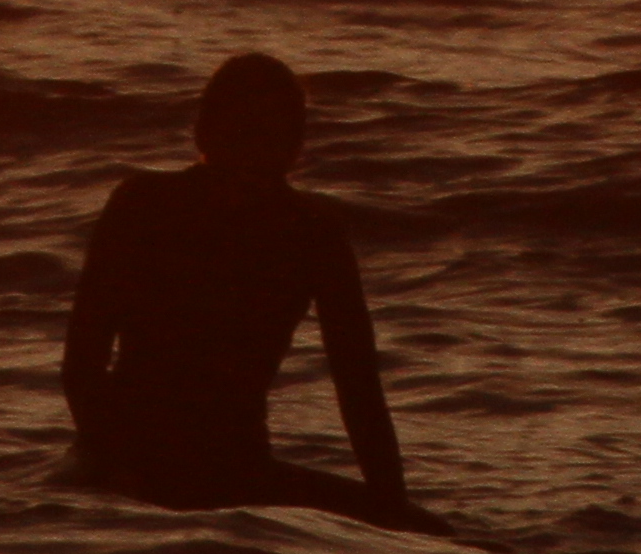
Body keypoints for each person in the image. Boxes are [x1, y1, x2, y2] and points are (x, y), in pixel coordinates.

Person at [61, 51, 430, 528]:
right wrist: (115, 464)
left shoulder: (313, 231)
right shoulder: (145, 204)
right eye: (247, 134)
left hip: (231, 467)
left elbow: (359, 388)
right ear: (206, 134)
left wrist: (392, 510)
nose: (258, 151)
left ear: (296, 147)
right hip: (129, 460)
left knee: (439, 534)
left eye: (275, 137)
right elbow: (82, 364)